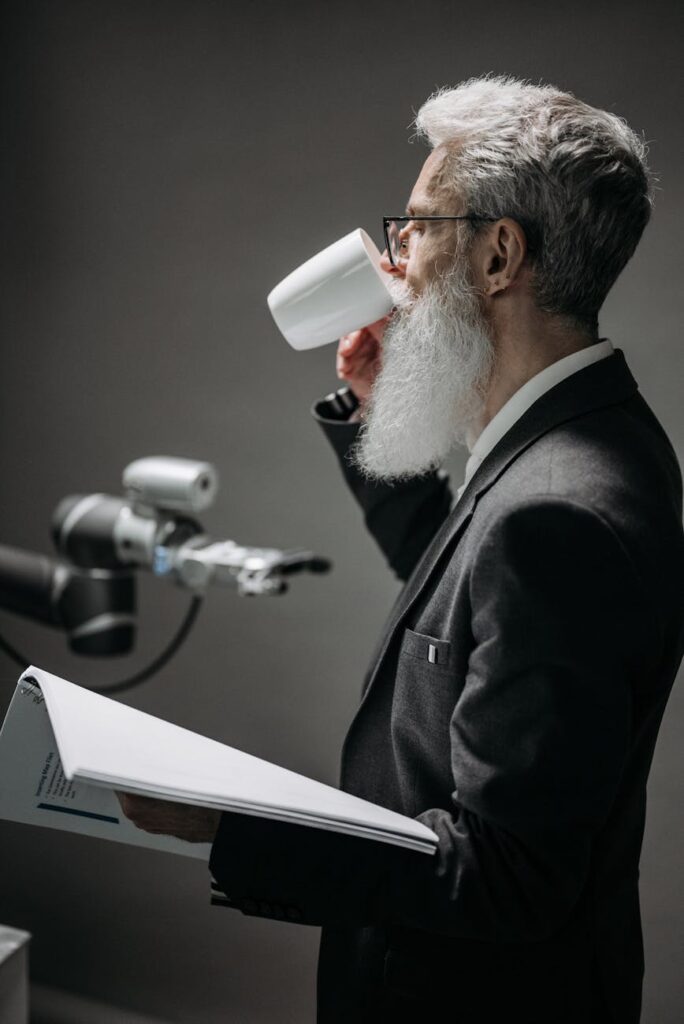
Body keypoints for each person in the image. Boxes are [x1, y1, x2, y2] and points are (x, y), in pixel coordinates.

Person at [119, 76, 684, 1023]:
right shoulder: (596, 440)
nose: (394, 262)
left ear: (499, 254)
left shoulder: (559, 512)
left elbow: (505, 877)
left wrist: (232, 827)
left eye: (416, 226)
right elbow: (466, 593)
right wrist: (375, 417)